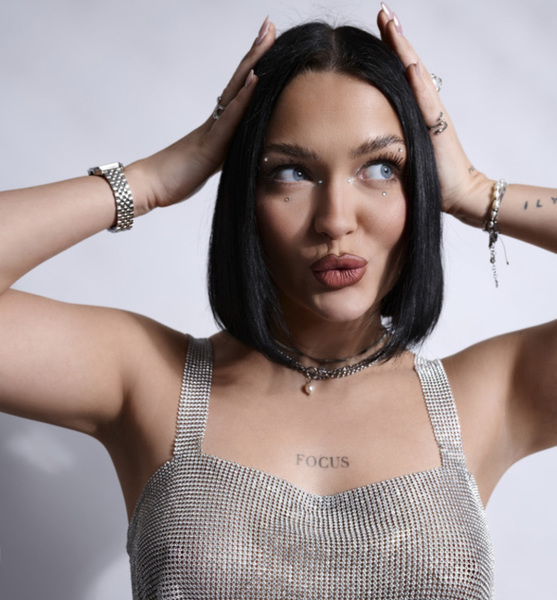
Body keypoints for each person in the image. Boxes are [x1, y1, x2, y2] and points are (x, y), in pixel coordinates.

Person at [1, 3, 555, 599]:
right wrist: (154, 179)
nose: (335, 219)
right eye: (291, 173)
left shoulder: (490, 397)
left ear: (417, 185)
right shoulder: (147, 379)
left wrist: (476, 191)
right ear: (248, 194)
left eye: (379, 168)